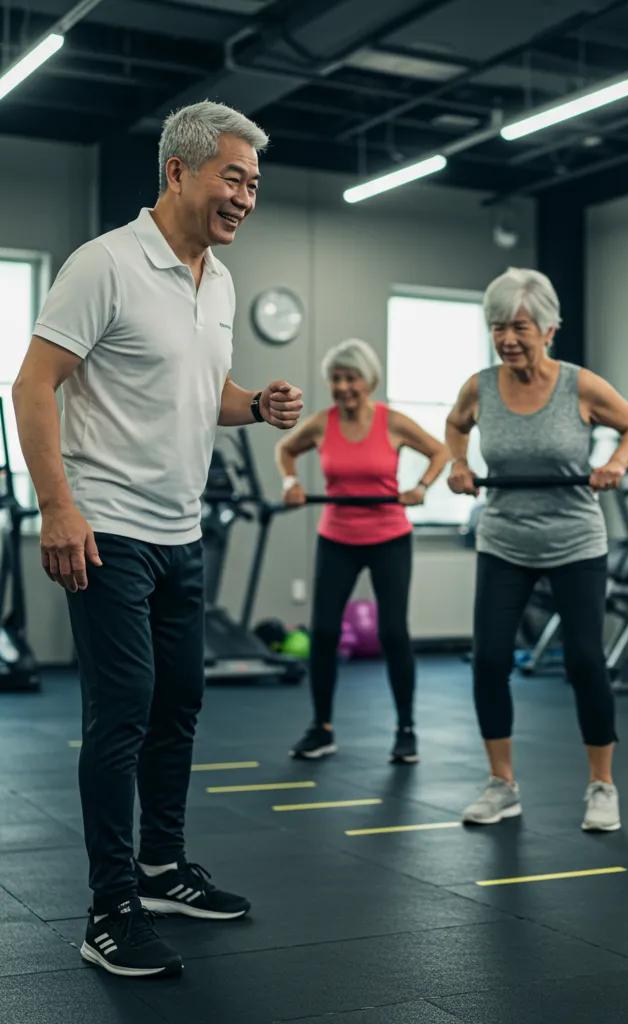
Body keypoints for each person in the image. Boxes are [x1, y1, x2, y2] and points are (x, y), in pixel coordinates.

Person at [13, 101, 304, 979]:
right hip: (107, 530)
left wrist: (252, 406)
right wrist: (57, 507)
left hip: (183, 529)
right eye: (232, 177)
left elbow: (199, 387)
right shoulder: (103, 264)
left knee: (179, 704)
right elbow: (30, 388)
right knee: (122, 715)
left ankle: (163, 866)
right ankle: (109, 909)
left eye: (254, 183)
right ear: (178, 172)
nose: (245, 197)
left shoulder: (217, 280)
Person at [447, 267, 628, 832]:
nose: (508, 339)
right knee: (489, 661)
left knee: (586, 663)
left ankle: (602, 786)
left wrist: (614, 463)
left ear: (549, 328)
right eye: (498, 328)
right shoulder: (480, 386)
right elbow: (455, 425)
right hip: (504, 538)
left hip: (574, 540)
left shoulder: (578, 385)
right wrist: (459, 465)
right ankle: (502, 784)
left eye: (519, 327)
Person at [276, 338, 447, 764]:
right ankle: (322, 728)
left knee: (393, 632)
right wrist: (289, 483)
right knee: (325, 633)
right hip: (337, 537)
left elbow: (440, 452)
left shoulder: (392, 422)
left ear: (368, 380)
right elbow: (285, 449)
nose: (344, 386)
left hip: (390, 535)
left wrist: (422, 488)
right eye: (336, 378)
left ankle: (406, 730)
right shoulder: (322, 423)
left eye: (351, 377)